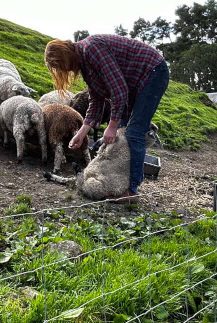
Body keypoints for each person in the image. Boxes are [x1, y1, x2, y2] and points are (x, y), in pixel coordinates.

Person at [44, 34, 169, 201]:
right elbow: (96, 99)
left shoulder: (92, 49)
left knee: (133, 133)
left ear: (66, 57)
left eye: (62, 66)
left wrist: (111, 125)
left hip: (152, 72)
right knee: (121, 136)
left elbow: (119, 90)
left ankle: (132, 190)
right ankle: (121, 186)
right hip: (134, 82)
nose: (66, 71)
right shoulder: (85, 64)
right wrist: (82, 133)